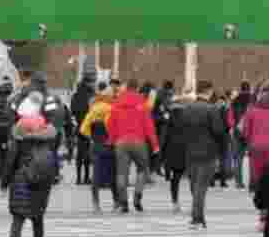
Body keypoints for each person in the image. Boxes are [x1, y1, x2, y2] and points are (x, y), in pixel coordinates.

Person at [1, 95, 60, 237]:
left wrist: (4, 181)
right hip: (42, 179)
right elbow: (53, 157)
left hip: (21, 176)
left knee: (18, 217)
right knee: (38, 217)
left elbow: (11, 159)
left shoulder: (19, 133)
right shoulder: (47, 133)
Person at [161, 81, 225, 227]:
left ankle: (199, 218)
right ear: (208, 91)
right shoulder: (212, 109)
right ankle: (196, 218)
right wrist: (220, 150)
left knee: (195, 185)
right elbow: (219, 132)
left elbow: (182, 131)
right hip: (208, 152)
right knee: (201, 187)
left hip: (190, 152)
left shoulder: (187, 109)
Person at [108, 78, 158, 212]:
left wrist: (112, 140)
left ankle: (123, 203)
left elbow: (111, 123)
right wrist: (155, 144)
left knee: (121, 173)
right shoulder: (142, 102)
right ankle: (137, 197)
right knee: (143, 169)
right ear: (137, 88)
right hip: (138, 142)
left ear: (126, 88)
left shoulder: (117, 102)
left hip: (121, 142)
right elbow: (148, 125)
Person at [240, 82, 269, 198]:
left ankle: (261, 200)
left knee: (258, 174)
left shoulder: (251, 109)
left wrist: (249, 142)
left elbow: (245, 131)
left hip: (256, 146)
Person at [79, 82, 116, 214]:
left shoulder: (93, 109)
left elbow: (83, 129)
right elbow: (112, 127)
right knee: (112, 173)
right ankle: (116, 202)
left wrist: (92, 137)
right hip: (110, 144)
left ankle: (96, 204)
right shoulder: (112, 108)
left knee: (96, 175)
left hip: (96, 144)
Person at [69, 77, 94, 185]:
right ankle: (86, 177)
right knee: (87, 153)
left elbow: (72, 111)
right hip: (88, 128)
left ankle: (78, 178)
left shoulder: (74, 96)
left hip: (79, 127)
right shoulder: (90, 97)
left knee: (79, 153)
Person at [228, 80, 253, 188]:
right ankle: (253, 182)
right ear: (249, 88)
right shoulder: (253, 99)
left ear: (240, 88)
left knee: (238, 158)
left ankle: (238, 182)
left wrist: (234, 127)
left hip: (238, 132)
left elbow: (230, 117)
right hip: (251, 132)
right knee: (253, 158)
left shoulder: (234, 101)